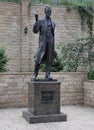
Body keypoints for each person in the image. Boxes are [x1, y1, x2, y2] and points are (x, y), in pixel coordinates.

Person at [33, 6, 56, 80]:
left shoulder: (53, 23)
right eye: (47, 11)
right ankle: (35, 75)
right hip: (43, 40)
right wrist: (36, 21)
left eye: (50, 11)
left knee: (49, 58)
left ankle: (48, 75)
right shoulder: (40, 21)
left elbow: (52, 33)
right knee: (39, 57)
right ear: (45, 12)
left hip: (51, 40)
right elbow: (35, 31)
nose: (49, 13)